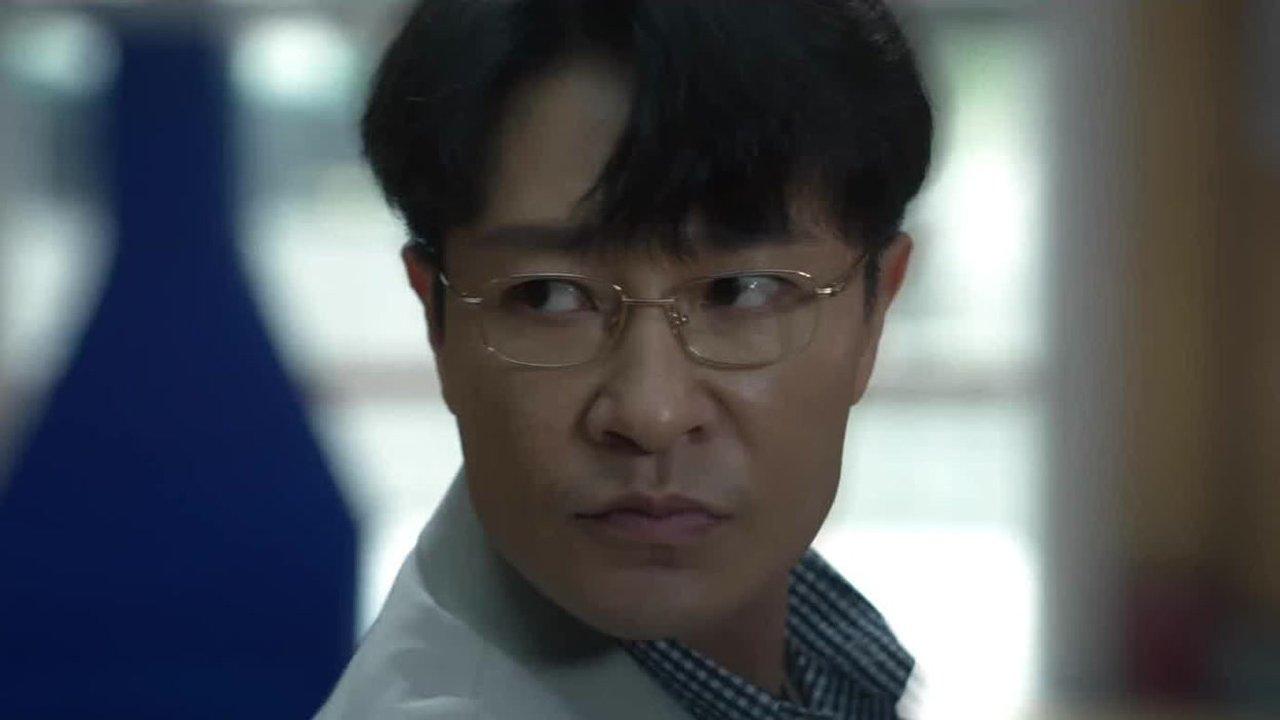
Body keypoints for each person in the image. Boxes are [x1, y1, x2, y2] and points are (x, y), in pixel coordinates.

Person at [316, 0, 932, 718]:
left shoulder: (825, 660)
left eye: (741, 291)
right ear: (437, 320)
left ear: (876, 309)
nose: (650, 411)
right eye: (547, 296)